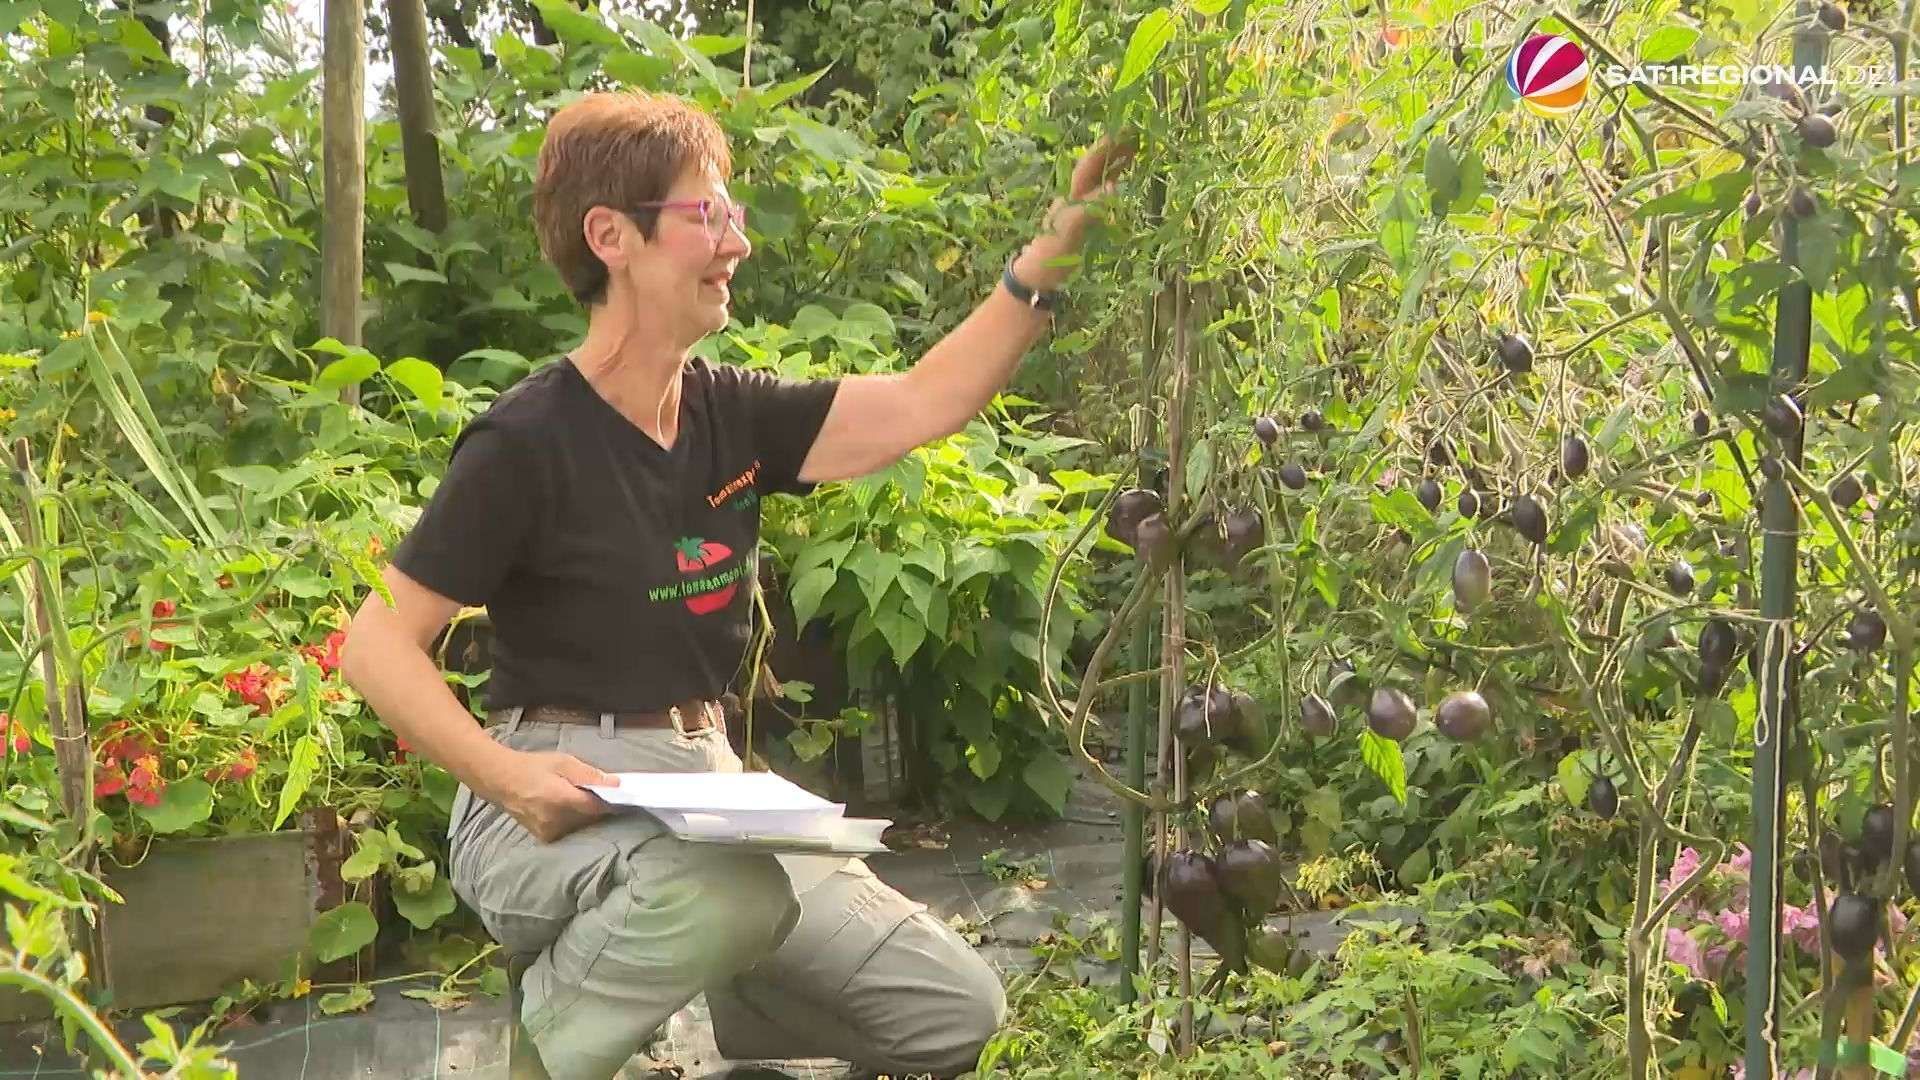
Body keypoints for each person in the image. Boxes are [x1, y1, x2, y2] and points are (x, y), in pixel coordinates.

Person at [339, 89, 1132, 1080]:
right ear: (611, 236)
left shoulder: (733, 416)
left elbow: (931, 399)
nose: (735, 243)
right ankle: (538, 1053)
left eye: (734, 214)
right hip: (549, 784)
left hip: (708, 788)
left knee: (955, 1012)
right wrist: (509, 778)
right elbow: (374, 647)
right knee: (733, 894)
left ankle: (746, 1009)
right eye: (707, 215)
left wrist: (1058, 244)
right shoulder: (528, 440)